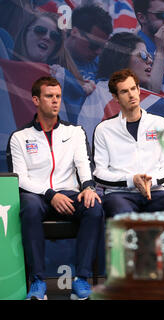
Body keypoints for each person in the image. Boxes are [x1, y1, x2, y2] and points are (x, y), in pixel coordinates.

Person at [6, 76, 103, 300]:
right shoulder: (20, 137)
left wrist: (88, 187)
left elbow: (83, 165)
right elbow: (19, 179)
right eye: (49, 96)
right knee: (28, 207)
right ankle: (38, 282)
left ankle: (81, 279)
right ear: (36, 100)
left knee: (94, 206)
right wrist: (50, 195)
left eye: (58, 96)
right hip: (37, 196)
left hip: (69, 193)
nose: (55, 101)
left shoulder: (75, 132)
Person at [93, 68, 164, 217]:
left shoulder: (160, 123)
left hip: (156, 192)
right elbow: (99, 174)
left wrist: (152, 181)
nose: (131, 94)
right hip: (119, 195)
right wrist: (131, 180)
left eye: (133, 88)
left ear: (138, 90)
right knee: (123, 216)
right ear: (115, 97)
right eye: (124, 91)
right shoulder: (104, 129)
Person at [77, 32, 164, 143]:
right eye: (143, 55)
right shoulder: (91, 92)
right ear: (121, 57)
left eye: (149, 56)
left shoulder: (156, 103)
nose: (150, 61)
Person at [64, 5, 113, 83]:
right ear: (74, 32)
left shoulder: (102, 66)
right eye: (95, 45)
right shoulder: (48, 56)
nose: (99, 52)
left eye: (103, 46)